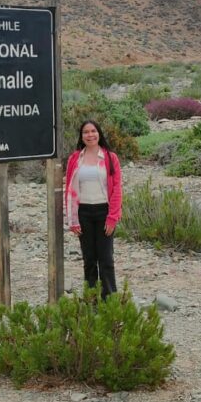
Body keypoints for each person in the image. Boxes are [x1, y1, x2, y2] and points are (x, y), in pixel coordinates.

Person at [63, 119, 123, 298]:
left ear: (99, 133)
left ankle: (110, 298)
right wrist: (73, 220)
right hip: (83, 213)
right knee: (89, 259)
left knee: (106, 259)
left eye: (93, 131)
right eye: (86, 132)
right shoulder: (75, 158)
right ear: (81, 136)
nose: (90, 135)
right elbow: (70, 189)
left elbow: (117, 188)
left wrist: (112, 217)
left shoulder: (110, 158)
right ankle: (91, 298)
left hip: (104, 212)